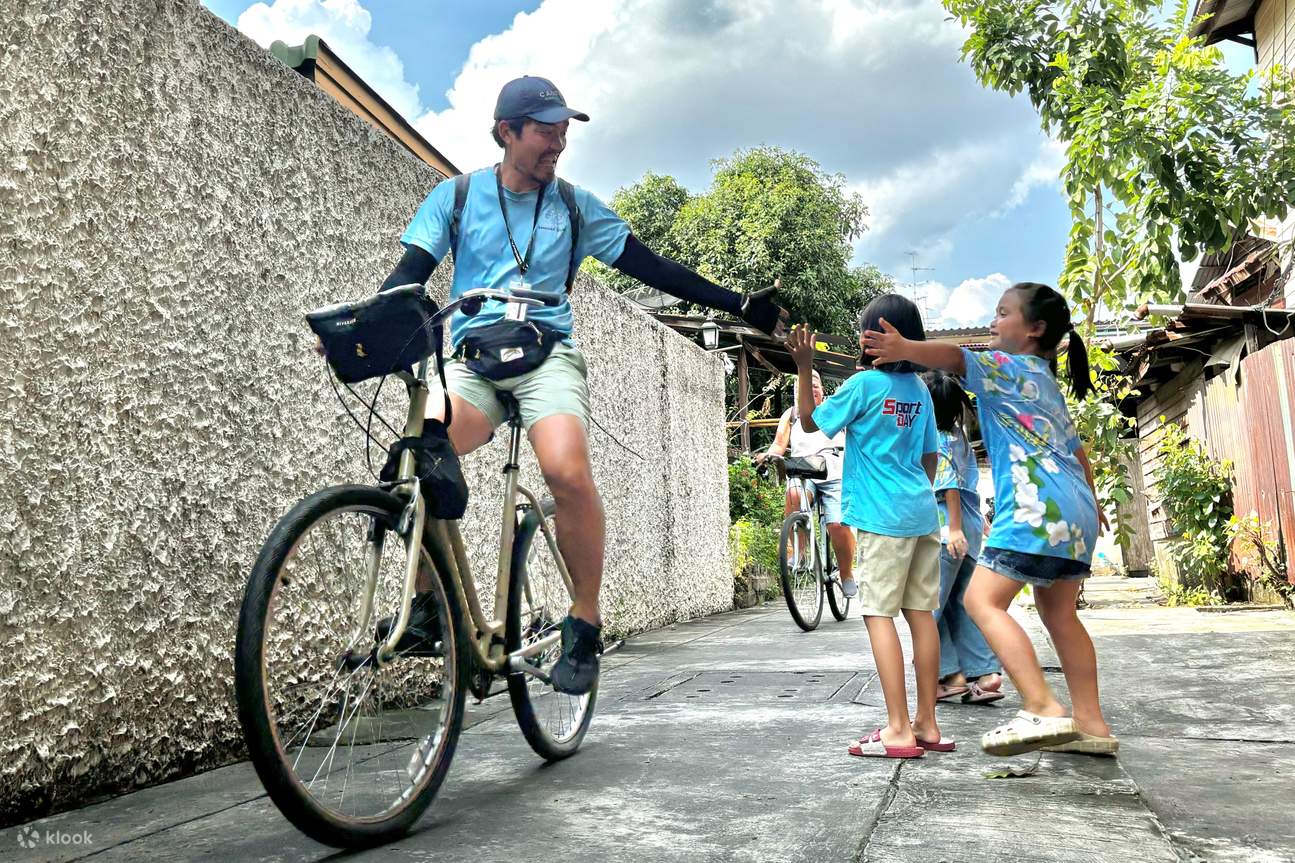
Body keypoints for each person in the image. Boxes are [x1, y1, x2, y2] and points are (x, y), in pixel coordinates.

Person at [375, 76, 788, 695]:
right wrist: (364, 322)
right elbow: (408, 274)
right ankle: (431, 604)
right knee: (418, 450)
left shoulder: (574, 206)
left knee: (566, 473)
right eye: (545, 129)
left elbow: (653, 267)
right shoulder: (455, 198)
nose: (558, 142)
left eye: (563, 129)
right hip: (473, 361)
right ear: (505, 132)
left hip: (548, 358)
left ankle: (585, 623)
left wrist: (738, 304)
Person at [862, 282, 1117, 757]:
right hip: (1077, 510)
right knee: (1061, 615)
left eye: (1003, 313)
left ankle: (1042, 705)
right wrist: (1093, 504)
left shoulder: (1008, 367)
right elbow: (1078, 452)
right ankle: (1093, 725)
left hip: (1034, 509)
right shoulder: (1042, 377)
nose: (994, 321)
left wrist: (904, 348)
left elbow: (956, 358)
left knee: (982, 601)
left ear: (1034, 329)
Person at [787, 295, 949, 759]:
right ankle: (927, 723)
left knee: (879, 615)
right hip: (921, 514)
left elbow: (811, 424)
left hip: (882, 519)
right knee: (921, 616)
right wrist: (914, 496)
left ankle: (897, 729)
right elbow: (930, 457)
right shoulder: (919, 390)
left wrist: (804, 366)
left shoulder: (864, 386)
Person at [921, 370, 1003, 705]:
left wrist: (952, 528)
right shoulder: (960, 436)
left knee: (928, 608)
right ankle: (985, 673)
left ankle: (949, 676)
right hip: (969, 531)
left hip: (947, 532)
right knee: (960, 605)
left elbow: (948, 485)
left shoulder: (937, 438)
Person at [756, 369, 856, 596]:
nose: (811, 391)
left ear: (822, 390)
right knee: (793, 498)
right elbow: (779, 444)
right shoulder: (791, 415)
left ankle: (846, 572)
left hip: (834, 473)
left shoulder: (834, 408)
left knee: (838, 525)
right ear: (796, 393)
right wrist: (768, 456)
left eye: (815, 387)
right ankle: (799, 553)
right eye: (804, 388)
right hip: (803, 472)